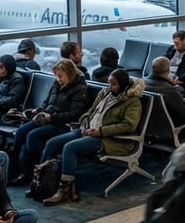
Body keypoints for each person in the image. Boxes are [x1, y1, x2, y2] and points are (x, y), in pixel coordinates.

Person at [40, 68, 144, 205]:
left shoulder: (132, 102)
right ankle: (42, 182)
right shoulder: (105, 93)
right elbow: (91, 111)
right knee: (52, 143)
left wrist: (101, 131)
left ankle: (65, 190)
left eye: (114, 84)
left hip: (107, 138)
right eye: (109, 83)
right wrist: (84, 121)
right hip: (88, 130)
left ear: (123, 85)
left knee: (70, 148)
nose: (110, 87)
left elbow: (128, 126)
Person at [12, 58, 93, 186]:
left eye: (60, 76)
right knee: (21, 132)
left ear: (70, 75)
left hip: (62, 124)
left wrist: (51, 118)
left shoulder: (80, 90)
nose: (58, 79)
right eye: (56, 76)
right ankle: (18, 169)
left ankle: (38, 169)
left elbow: (75, 115)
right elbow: (47, 101)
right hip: (47, 118)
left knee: (32, 137)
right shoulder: (57, 84)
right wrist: (39, 111)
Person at [147, 56, 185, 131]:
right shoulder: (171, 91)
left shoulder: (142, 84)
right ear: (168, 71)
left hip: (149, 125)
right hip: (171, 127)